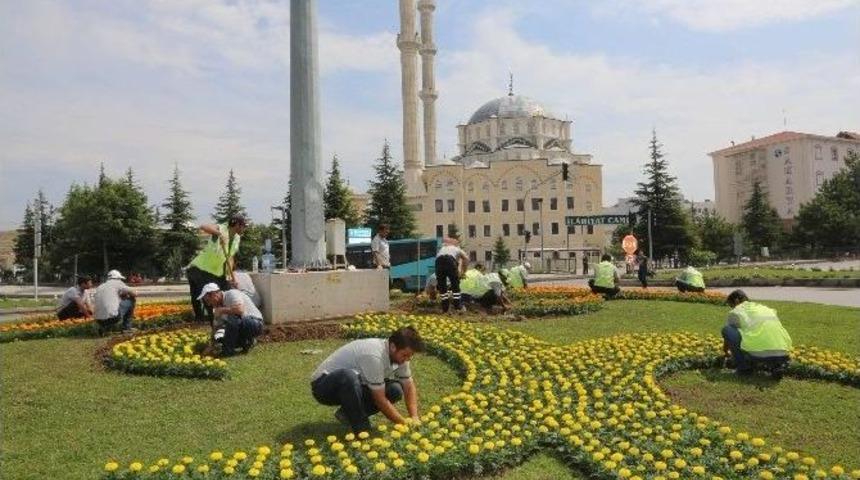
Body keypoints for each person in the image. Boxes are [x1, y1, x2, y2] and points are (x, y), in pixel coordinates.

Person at [310, 326, 425, 434]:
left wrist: (414, 417)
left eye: (410, 356)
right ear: (393, 347)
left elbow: (408, 386)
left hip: (352, 386)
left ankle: (346, 414)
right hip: (323, 386)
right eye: (405, 355)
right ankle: (361, 429)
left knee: (394, 390)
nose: (407, 359)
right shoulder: (374, 355)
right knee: (348, 376)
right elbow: (379, 399)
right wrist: (403, 424)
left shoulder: (399, 355)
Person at [187, 215, 247, 323]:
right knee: (210, 297)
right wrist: (219, 234)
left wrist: (231, 277)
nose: (244, 229)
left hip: (217, 272)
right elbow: (204, 226)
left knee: (227, 293)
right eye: (243, 226)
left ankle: (228, 323)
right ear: (237, 225)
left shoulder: (237, 238)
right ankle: (212, 324)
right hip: (201, 269)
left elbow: (230, 257)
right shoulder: (221, 228)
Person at [721, 290, 792, 378]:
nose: (732, 308)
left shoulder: (737, 312)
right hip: (783, 352)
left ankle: (744, 368)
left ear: (736, 301)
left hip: (758, 354)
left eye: (731, 305)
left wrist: (725, 351)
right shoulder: (765, 308)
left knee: (727, 329)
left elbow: (729, 337)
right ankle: (776, 366)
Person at [198, 283, 264, 356]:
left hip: (255, 323)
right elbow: (216, 327)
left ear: (214, 294)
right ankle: (247, 342)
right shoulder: (218, 308)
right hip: (241, 325)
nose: (209, 304)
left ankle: (228, 351)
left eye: (208, 300)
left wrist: (222, 310)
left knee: (233, 317)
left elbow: (240, 310)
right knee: (220, 337)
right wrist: (211, 345)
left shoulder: (231, 294)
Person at [94, 270, 137, 335]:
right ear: (118, 278)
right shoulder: (118, 283)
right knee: (131, 299)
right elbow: (134, 293)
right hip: (113, 318)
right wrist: (126, 295)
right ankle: (127, 327)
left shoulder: (100, 286)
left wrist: (121, 295)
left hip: (98, 320)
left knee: (109, 309)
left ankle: (105, 328)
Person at [435, 237, 469, 313]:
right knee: (455, 284)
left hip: (438, 262)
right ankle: (458, 306)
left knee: (442, 285)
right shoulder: (457, 249)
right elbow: (466, 258)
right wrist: (463, 272)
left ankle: (445, 308)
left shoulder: (442, 249)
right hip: (449, 260)